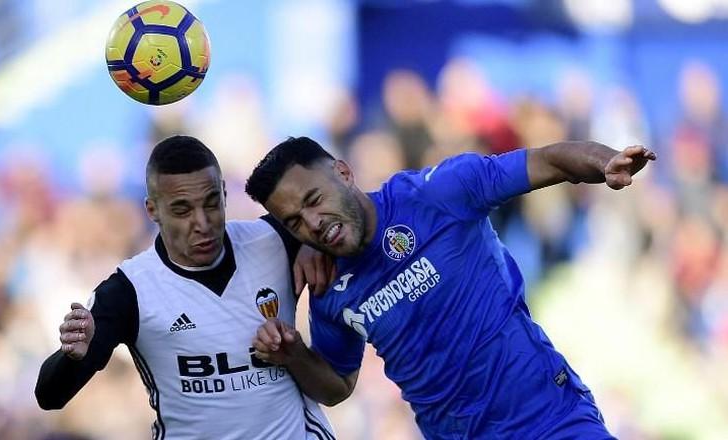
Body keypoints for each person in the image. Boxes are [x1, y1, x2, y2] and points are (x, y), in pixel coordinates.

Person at [245, 136, 656, 439]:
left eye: (315, 199)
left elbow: (550, 161)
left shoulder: (439, 193)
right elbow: (337, 385)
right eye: (295, 222)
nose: (313, 222)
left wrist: (606, 162)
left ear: (344, 172)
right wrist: (294, 355)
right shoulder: (327, 287)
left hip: (550, 420)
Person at [35, 135, 335, 440]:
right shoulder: (130, 290)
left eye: (212, 203)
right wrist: (72, 357)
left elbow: (347, 218)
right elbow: (49, 397)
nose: (202, 222)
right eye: (182, 210)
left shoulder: (276, 241)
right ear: (152, 210)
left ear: (224, 194)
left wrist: (316, 242)